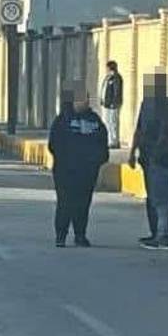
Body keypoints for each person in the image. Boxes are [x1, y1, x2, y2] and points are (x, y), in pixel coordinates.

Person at [128, 72, 168, 251]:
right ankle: (158, 232)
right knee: (156, 197)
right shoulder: (151, 103)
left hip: (164, 157)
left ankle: (164, 236)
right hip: (152, 156)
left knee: (162, 198)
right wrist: (133, 152)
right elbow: (139, 129)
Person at [48, 88, 109, 248]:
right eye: (82, 99)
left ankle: (80, 235)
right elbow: (54, 144)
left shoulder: (95, 120)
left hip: (87, 172)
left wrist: (97, 160)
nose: (86, 102)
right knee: (65, 203)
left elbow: (102, 142)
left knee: (83, 204)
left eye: (87, 98)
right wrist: (66, 161)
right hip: (65, 172)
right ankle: (61, 235)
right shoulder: (63, 120)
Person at [101, 61, 124, 149]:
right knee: (108, 122)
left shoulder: (116, 78)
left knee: (113, 123)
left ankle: (115, 141)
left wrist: (114, 103)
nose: (106, 69)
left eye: (107, 67)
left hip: (113, 105)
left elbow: (117, 91)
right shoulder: (108, 77)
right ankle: (110, 140)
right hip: (106, 104)